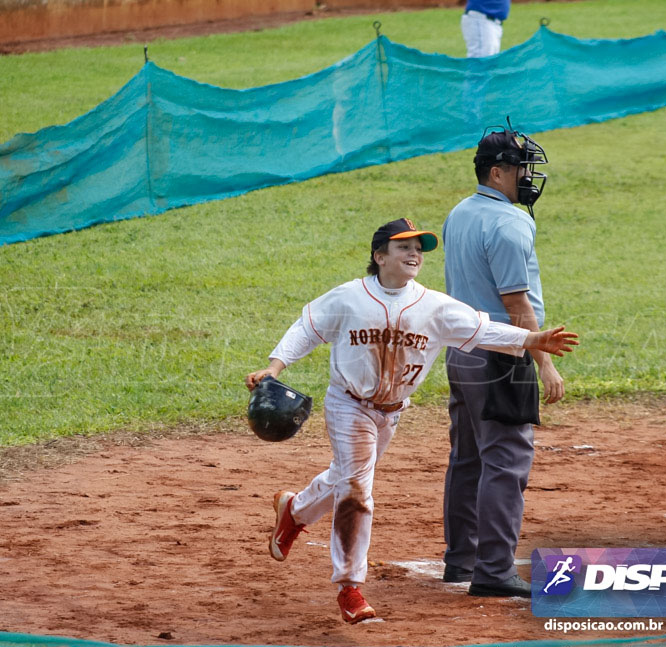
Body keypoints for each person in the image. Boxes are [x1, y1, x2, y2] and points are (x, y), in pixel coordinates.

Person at [245, 218, 577, 623]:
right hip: (348, 405)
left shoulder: (433, 306)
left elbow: (483, 330)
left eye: (418, 248)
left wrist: (530, 340)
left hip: (391, 413)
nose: (414, 254)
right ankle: (350, 588)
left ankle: (294, 510)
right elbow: (307, 329)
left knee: (346, 476)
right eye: (403, 247)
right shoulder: (349, 298)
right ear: (379, 256)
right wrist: (274, 367)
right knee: (357, 489)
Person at [440, 124, 557, 598]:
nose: (527, 177)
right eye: (521, 169)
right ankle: (493, 571)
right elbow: (515, 302)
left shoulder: (459, 213)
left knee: (467, 458)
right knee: (507, 461)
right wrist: (543, 357)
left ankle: (460, 561)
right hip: (501, 357)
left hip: (460, 351)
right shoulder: (509, 223)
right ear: (497, 172)